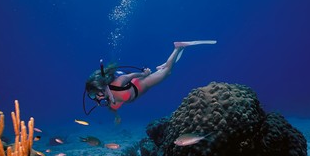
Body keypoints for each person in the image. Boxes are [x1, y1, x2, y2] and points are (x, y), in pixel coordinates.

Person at [84, 40, 217, 117]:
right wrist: (116, 117)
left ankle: (178, 48)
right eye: (91, 96)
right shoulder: (109, 100)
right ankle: (165, 64)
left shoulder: (117, 83)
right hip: (140, 89)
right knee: (166, 71)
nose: (95, 98)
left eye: (94, 94)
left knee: (167, 73)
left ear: (101, 88)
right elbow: (114, 107)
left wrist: (144, 74)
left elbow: (130, 76)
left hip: (142, 84)